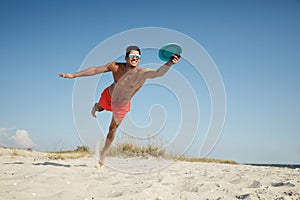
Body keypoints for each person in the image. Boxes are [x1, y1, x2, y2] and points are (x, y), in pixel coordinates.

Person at [59, 45, 181, 167]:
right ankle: (96, 106)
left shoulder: (142, 73)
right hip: (109, 96)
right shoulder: (116, 67)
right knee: (100, 107)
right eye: (132, 56)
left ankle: (102, 157)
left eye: (137, 57)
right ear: (126, 57)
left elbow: (157, 73)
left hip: (122, 105)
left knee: (112, 129)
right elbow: (96, 70)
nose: (135, 59)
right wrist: (74, 75)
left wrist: (169, 63)